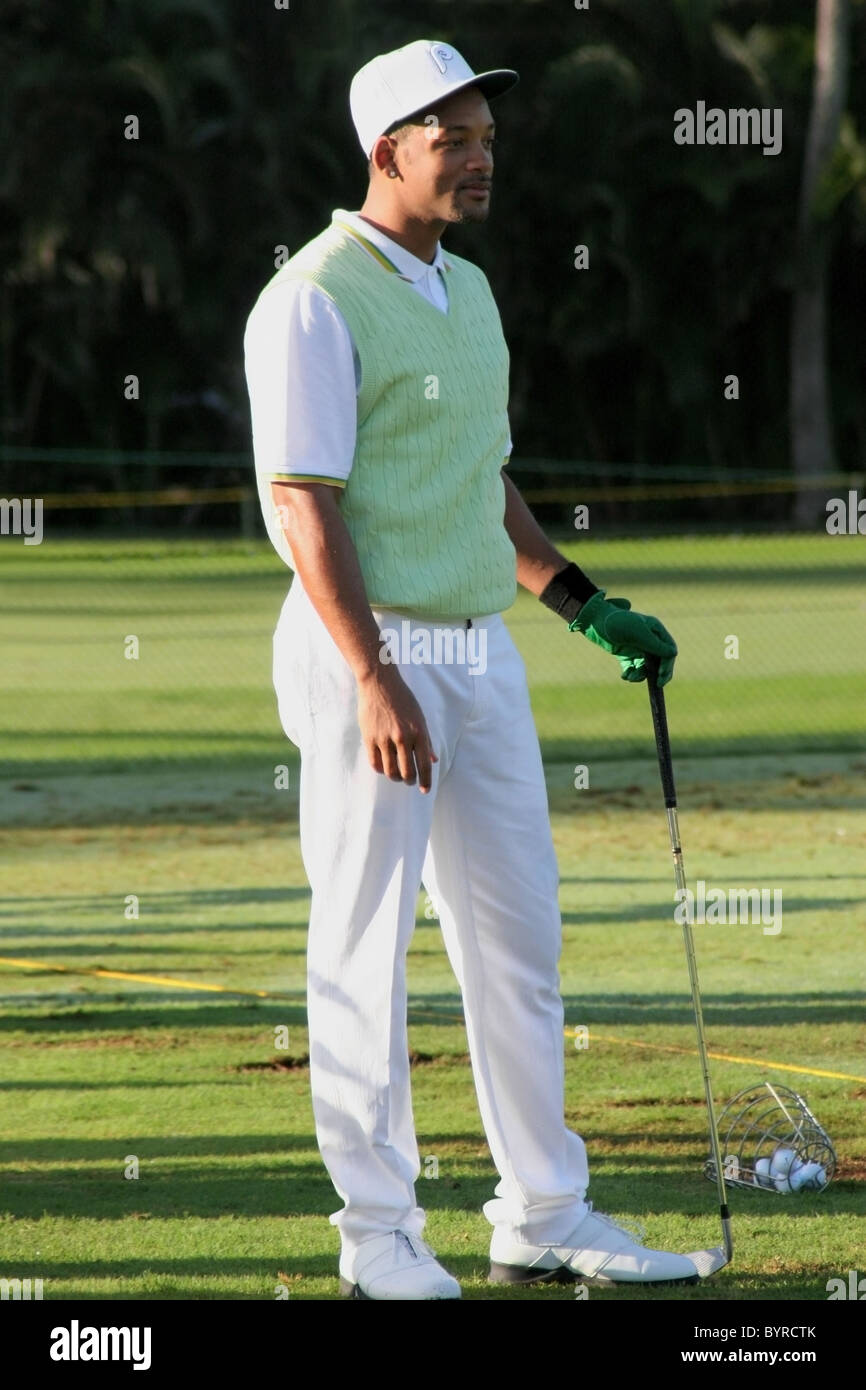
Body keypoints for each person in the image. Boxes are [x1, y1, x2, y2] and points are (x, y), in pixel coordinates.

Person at [244, 39, 701, 1301]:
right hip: (368, 654)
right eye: (452, 137)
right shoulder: (314, 296)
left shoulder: (472, 292)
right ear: (385, 150)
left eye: (487, 137)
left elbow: (476, 482)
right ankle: (377, 1234)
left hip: (478, 654)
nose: (480, 156)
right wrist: (375, 674)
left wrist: (575, 596)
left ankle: (542, 1207)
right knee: (363, 942)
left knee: (517, 936)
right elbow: (302, 503)